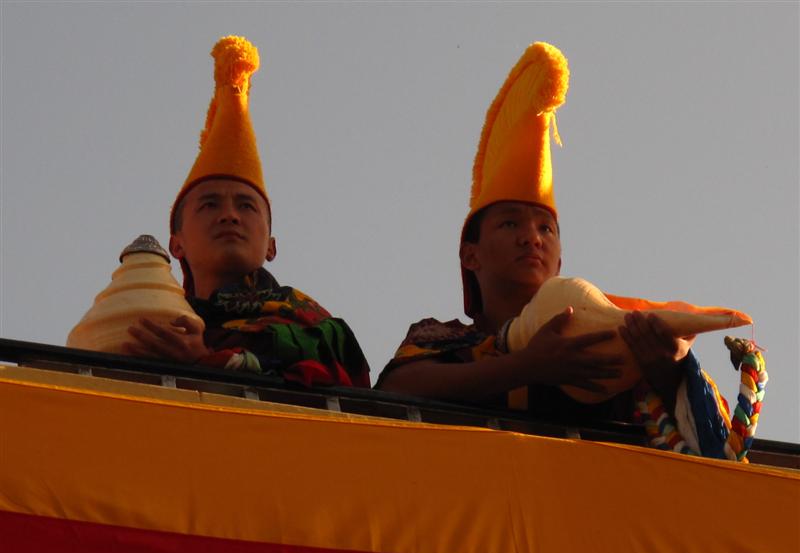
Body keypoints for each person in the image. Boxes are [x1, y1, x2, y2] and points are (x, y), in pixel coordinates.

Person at [378, 42, 761, 459]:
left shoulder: (605, 334)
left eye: (546, 228)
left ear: (559, 261)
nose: (532, 238)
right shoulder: (447, 339)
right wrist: (527, 366)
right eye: (510, 224)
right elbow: (396, 390)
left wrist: (667, 370)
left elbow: (713, 445)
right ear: (471, 256)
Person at [125, 36, 369, 388]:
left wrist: (212, 359)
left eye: (245, 206)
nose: (230, 216)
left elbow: (345, 382)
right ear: (176, 245)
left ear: (271, 246)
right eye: (210, 205)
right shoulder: (159, 321)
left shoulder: (314, 326)